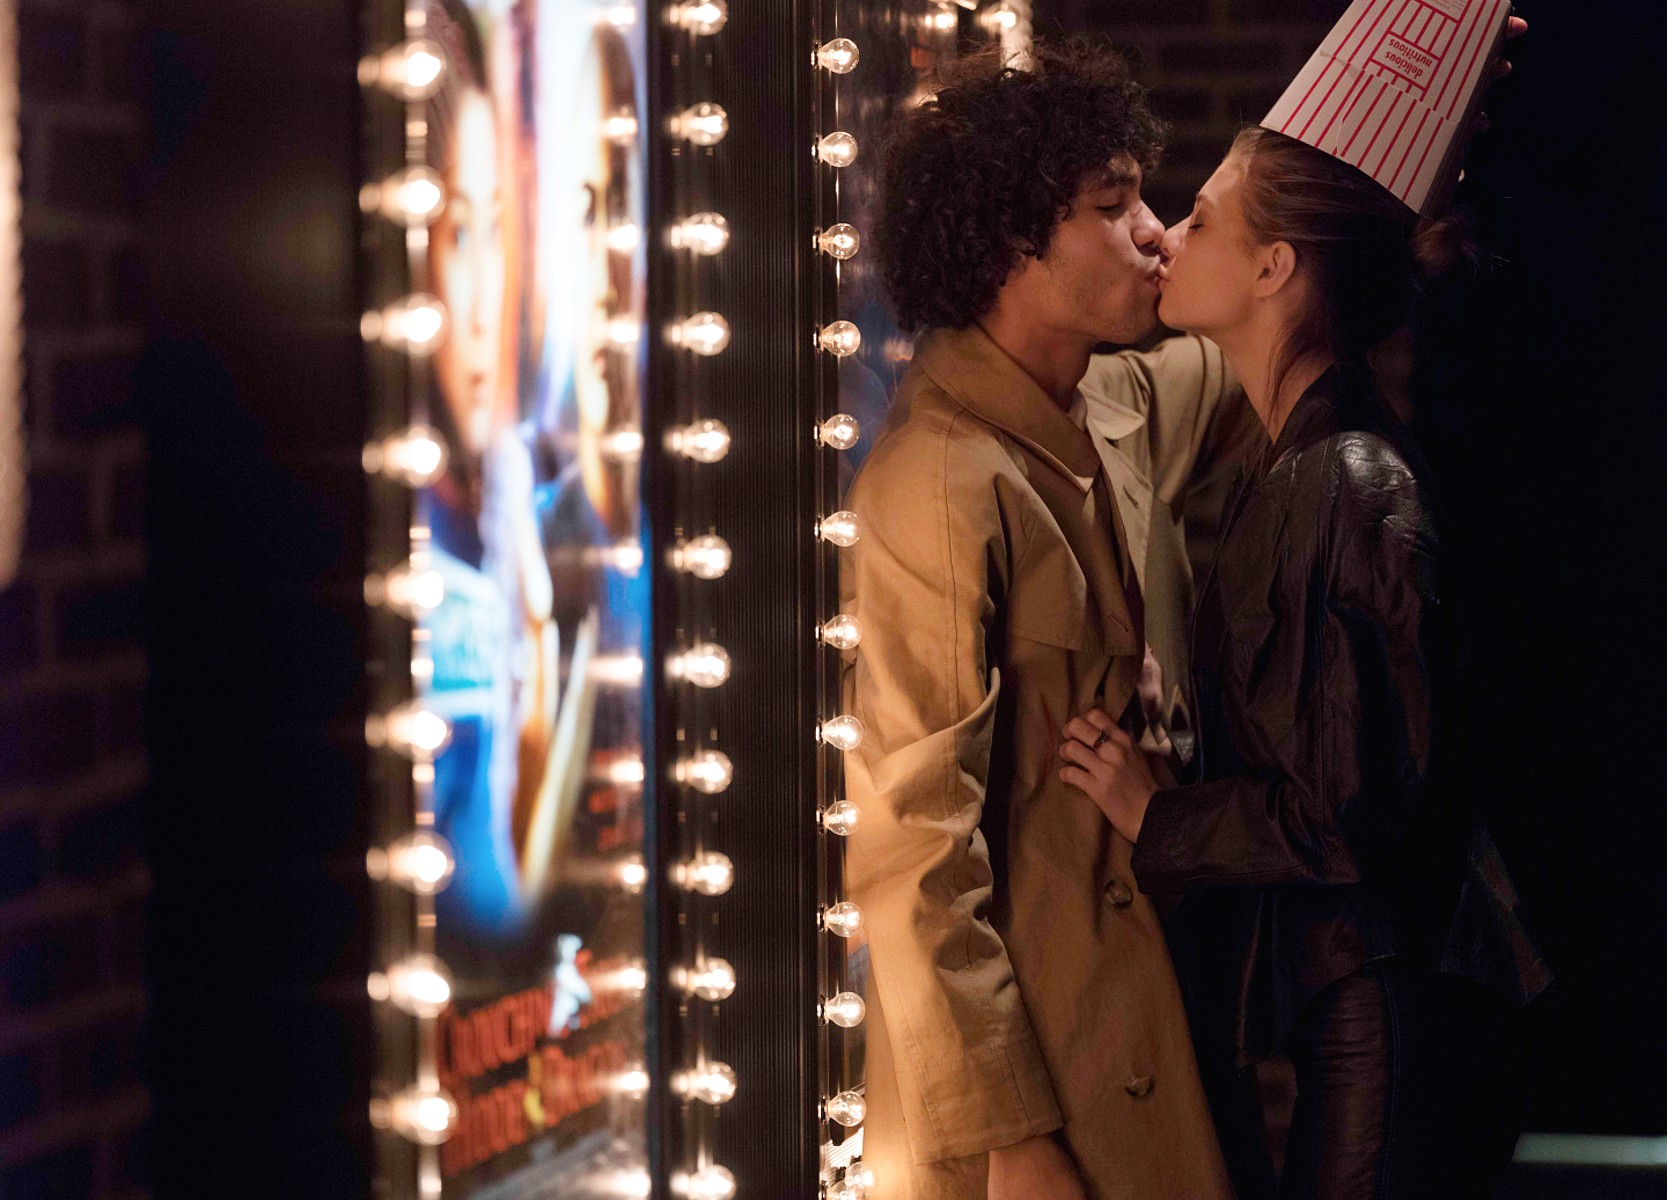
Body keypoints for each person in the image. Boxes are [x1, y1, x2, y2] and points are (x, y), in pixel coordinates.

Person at [1055, 40, 1552, 1200]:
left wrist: (1155, 814)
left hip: (1399, 1003)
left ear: (1274, 267)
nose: (1168, 237)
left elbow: (1351, 811)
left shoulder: (1348, 481)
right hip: (1366, 997)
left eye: (1204, 220)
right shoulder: (1299, 461)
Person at [842, 38, 1263, 1200]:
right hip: (1035, 1079)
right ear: (1006, 245)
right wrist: (1006, 1138)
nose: (1153, 234)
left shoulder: (1116, 397)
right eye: (1112, 206)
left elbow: (1270, 335)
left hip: (1147, 1010)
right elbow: (912, 846)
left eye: (1147, 200)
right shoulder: (937, 478)